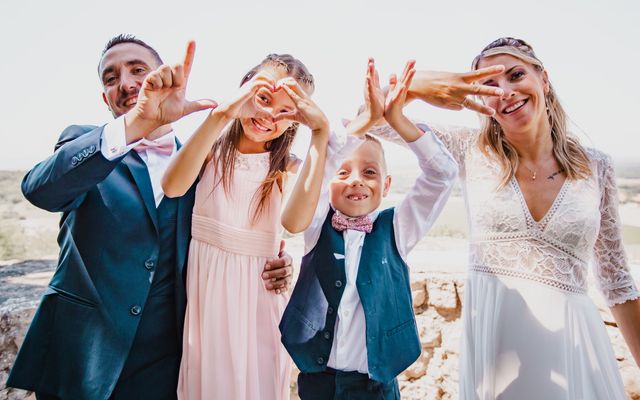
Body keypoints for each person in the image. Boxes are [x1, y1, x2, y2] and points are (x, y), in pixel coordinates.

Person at [7, 35, 293, 400]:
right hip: (81, 359)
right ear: (105, 98)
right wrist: (136, 123)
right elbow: (40, 190)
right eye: (110, 78)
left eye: (138, 70)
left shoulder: (199, 164)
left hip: (164, 367)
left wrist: (283, 262)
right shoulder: (88, 144)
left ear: (164, 78)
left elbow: (237, 231)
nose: (125, 83)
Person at [372, 37, 640, 399]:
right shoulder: (468, 150)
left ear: (543, 79)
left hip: (577, 351)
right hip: (497, 357)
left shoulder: (597, 166)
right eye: (489, 86)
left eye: (516, 75)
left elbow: (617, 281)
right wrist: (419, 86)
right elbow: (369, 119)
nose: (506, 92)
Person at [280, 60, 459, 399]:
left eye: (370, 172)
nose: (356, 181)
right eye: (342, 172)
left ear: (387, 184)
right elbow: (324, 161)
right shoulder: (316, 222)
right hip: (318, 382)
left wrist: (399, 122)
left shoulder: (399, 228)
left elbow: (442, 175)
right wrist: (357, 128)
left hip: (377, 385)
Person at [162, 53, 336, 399]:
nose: (269, 114)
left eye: (286, 110)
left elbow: (295, 222)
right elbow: (173, 186)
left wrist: (320, 133)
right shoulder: (209, 151)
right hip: (207, 294)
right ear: (245, 90)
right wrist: (224, 113)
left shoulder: (288, 167)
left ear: (296, 121)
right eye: (263, 98)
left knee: (256, 384)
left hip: (260, 297)